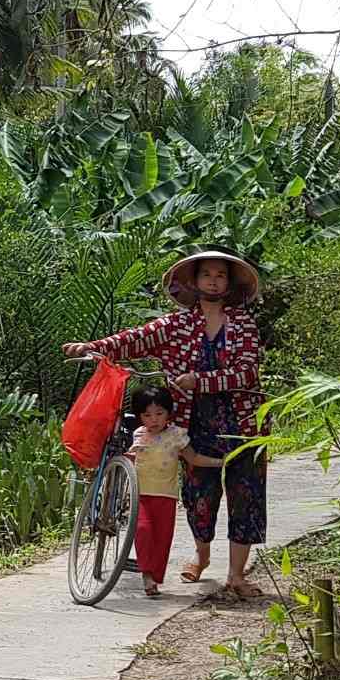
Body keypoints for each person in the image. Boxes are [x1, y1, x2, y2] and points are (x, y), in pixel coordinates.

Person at [65, 251, 269, 600]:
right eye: (207, 275)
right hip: (192, 424)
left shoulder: (243, 324)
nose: (213, 281)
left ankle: (236, 576)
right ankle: (202, 557)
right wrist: (94, 346)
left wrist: (200, 381)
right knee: (199, 496)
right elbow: (134, 338)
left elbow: (247, 372)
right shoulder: (175, 325)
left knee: (246, 495)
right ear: (195, 281)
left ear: (229, 283)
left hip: (243, 423)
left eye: (220, 275)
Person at [124, 387, 226, 598]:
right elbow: (132, 460)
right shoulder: (139, 434)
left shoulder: (177, 435)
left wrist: (221, 462)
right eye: (147, 415)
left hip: (166, 496)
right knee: (142, 530)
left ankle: (155, 577)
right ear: (140, 416)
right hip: (140, 494)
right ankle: (146, 574)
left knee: (162, 539)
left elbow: (193, 458)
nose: (153, 419)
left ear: (168, 413)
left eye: (159, 413)